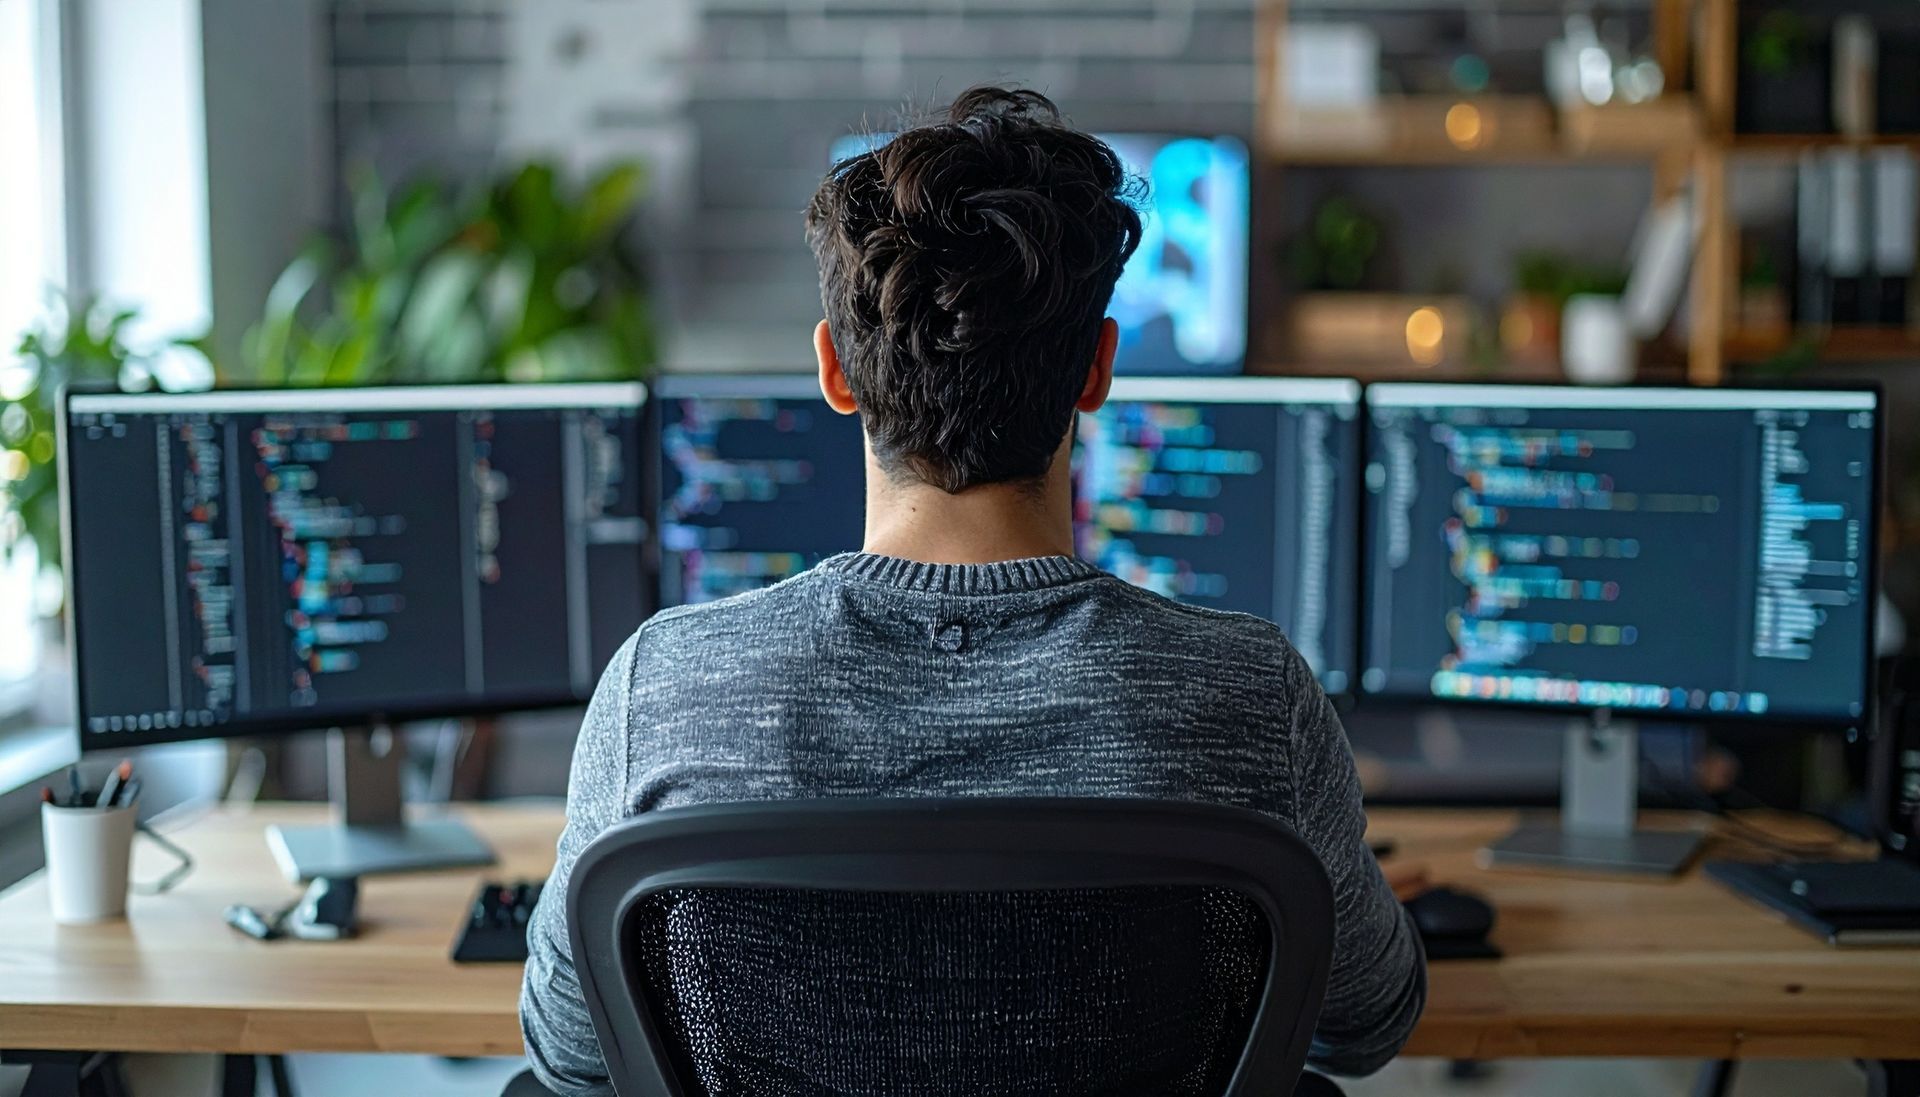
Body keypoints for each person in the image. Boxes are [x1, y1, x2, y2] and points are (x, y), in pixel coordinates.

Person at [520, 86, 1426, 1096]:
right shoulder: (1253, 695)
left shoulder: (663, 686)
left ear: (835, 371)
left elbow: (570, 1047)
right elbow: (1367, 1020)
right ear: (1098, 371)